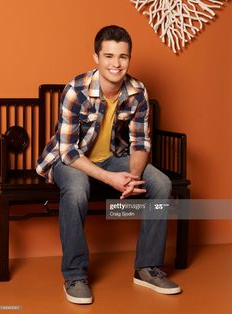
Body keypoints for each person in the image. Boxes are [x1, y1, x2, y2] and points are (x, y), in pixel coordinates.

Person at [36, 25, 181, 305]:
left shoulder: (137, 91)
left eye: (123, 57)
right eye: (109, 56)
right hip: (69, 160)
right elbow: (68, 152)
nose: (116, 64)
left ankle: (147, 268)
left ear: (129, 58)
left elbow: (140, 142)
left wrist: (132, 177)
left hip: (112, 157)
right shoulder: (75, 89)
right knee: (77, 190)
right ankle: (75, 275)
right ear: (96, 57)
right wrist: (110, 179)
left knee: (161, 184)